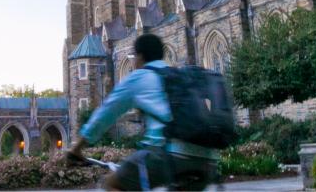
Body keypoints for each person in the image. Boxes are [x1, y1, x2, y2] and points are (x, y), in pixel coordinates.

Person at [67, 33, 219, 191]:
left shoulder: (139, 77)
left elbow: (104, 114)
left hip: (168, 155)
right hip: (206, 158)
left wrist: (76, 148)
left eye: (133, 56)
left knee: (112, 184)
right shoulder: (179, 75)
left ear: (140, 56)